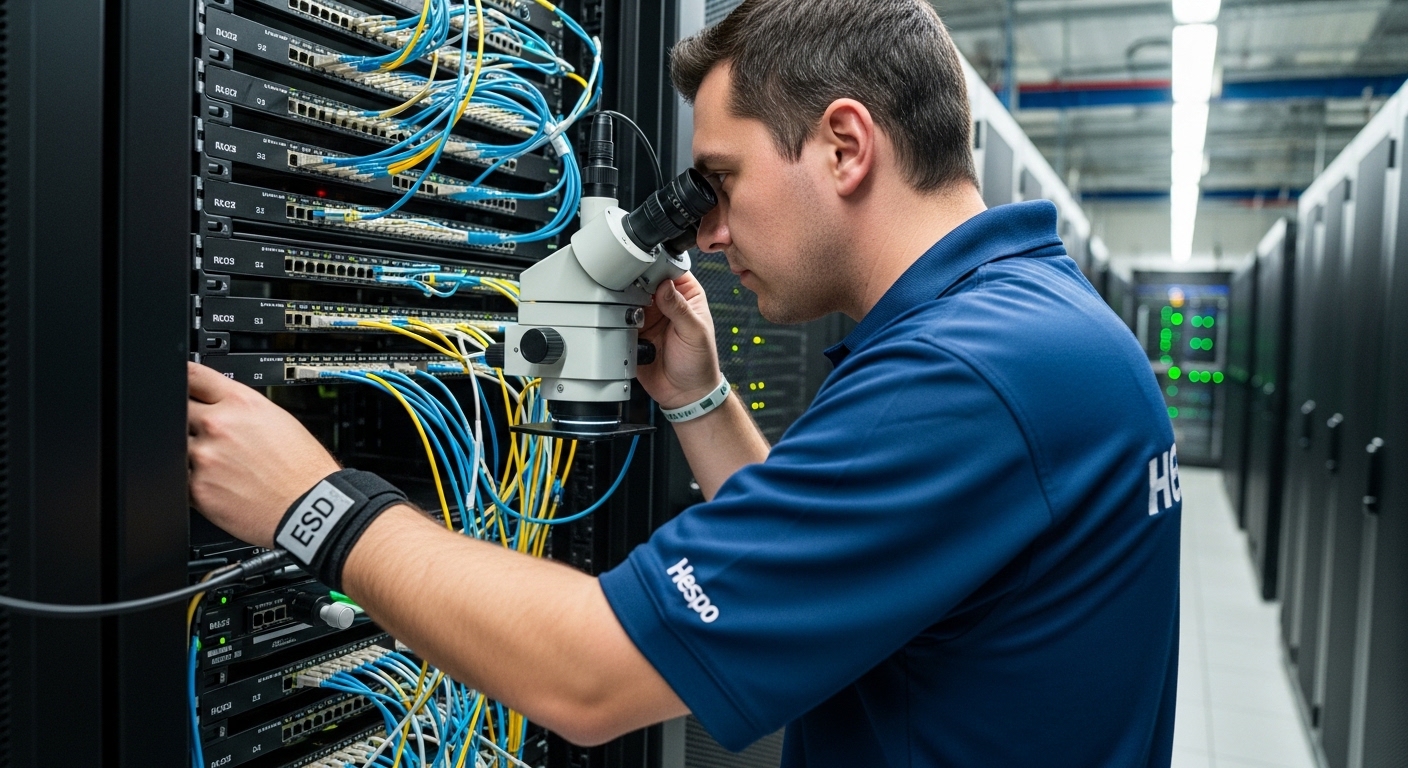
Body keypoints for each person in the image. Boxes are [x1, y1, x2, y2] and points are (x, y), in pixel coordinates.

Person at [187, 0, 1182, 764]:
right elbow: (826, 564)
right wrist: (699, 400)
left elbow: (589, 674)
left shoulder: (960, 378)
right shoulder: (1037, 326)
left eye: (723, 179)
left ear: (844, 145)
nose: (705, 232)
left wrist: (316, 505)